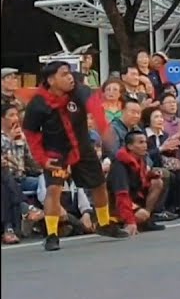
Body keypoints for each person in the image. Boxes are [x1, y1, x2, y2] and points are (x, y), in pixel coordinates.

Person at [21, 63, 128, 251]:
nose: (70, 77)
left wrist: (104, 129)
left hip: (83, 146)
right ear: (51, 80)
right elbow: (31, 133)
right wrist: (42, 159)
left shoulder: (80, 91)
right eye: (64, 74)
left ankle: (103, 224)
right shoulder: (38, 104)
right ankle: (52, 234)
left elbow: (95, 107)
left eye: (70, 73)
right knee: (53, 189)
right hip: (55, 151)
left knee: (99, 184)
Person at [108, 130, 167, 234]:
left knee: (157, 182)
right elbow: (121, 194)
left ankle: (145, 221)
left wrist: (150, 175)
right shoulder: (120, 164)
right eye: (141, 142)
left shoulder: (140, 158)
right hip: (116, 203)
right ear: (130, 146)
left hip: (133, 197)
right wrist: (130, 220)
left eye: (145, 142)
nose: (145, 145)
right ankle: (127, 222)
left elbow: (140, 180)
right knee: (140, 214)